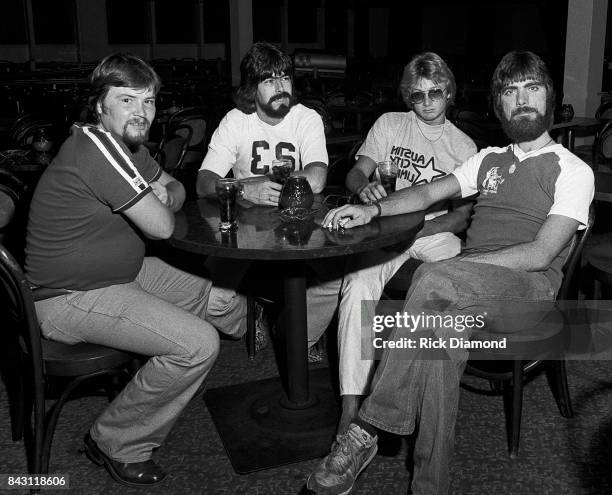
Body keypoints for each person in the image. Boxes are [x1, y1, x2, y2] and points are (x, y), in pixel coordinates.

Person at [307, 50, 594, 494]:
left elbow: (540, 254)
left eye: (531, 89)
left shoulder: (573, 169)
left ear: (549, 98)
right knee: (437, 338)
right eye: (509, 91)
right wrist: (372, 210)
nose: (521, 100)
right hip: (467, 292)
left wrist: (459, 266)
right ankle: (429, 486)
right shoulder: (488, 160)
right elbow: (424, 196)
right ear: (498, 105)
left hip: (527, 293)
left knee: (435, 278)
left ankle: (367, 427)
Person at [25, 53, 245, 488]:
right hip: (68, 297)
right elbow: (162, 226)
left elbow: (175, 186)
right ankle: (114, 441)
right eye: (127, 100)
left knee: (212, 289)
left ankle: (237, 351)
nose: (142, 112)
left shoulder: (125, 147)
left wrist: (161, 195)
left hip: (114, 275)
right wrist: (158, 199)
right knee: (198, 344)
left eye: (148, 101)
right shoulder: (97, 150)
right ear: (100, 105)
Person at [329, 52, 477, 435]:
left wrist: (417, 232)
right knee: (357, 284)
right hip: (384, 223)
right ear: (407, 97)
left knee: (455, 285)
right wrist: (364, 188)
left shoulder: (464, 147)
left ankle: (422, 393)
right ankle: (351, 404)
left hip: (435, 229)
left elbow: (461, 216)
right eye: (418, 95)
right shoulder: (390, 125)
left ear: (450, 94)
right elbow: (356, 172)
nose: (427, 103)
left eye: (435, 93)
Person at [196, 41, 340, 357]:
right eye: (269, 79)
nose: (280, 87)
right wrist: (244, 189)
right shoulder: (235, 120)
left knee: (338, 280)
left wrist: (264, 182)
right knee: (210, 301)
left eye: (285, 78)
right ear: (252, 87)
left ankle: (298, 339)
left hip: (300, 224)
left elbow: (316, 178)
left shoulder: (306, 118)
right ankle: (252, 319)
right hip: (245, 230)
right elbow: (203, 182)